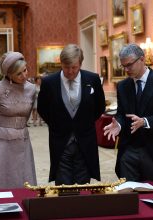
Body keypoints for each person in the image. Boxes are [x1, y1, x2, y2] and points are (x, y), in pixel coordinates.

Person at [104, 43, 153, 188]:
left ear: (142, 59)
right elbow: (122, 114)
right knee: (129, 195)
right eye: (124, 66)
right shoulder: (123, 86)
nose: (126, 70)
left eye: (129, 65)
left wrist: (145, 121)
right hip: (129, 151)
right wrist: (119, 124)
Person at [37, 44, 106, 185]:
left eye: (74, 67)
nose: (70, 71)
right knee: (63, 185)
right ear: (61, 64)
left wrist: (84, 123)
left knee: (83, 185)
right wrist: (58, 124)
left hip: (85, 141)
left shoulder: (92, 79)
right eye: (66, 67)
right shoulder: (49, 82)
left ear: (80, 63)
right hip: (60, 142)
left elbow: (100, 106)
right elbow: (42, 108)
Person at [0, 51, 37, 189]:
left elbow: (27, 114)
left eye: (25, 70)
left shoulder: (31, 89)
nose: (24, 75)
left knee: (23, 179)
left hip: (22, 140)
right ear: (9, 75)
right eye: (19, 73)